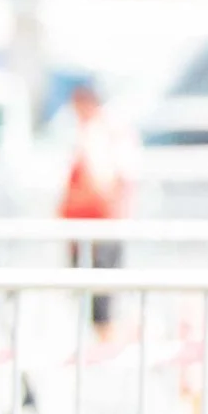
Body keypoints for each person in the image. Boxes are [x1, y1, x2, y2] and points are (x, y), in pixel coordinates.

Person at [59, 80, 136, 330]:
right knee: (97, 299)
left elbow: (101, 181)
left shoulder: (98, 134)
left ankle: (105, 341)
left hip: (97, 227)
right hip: (94, 226)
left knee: (100, 303)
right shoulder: (104, 132)